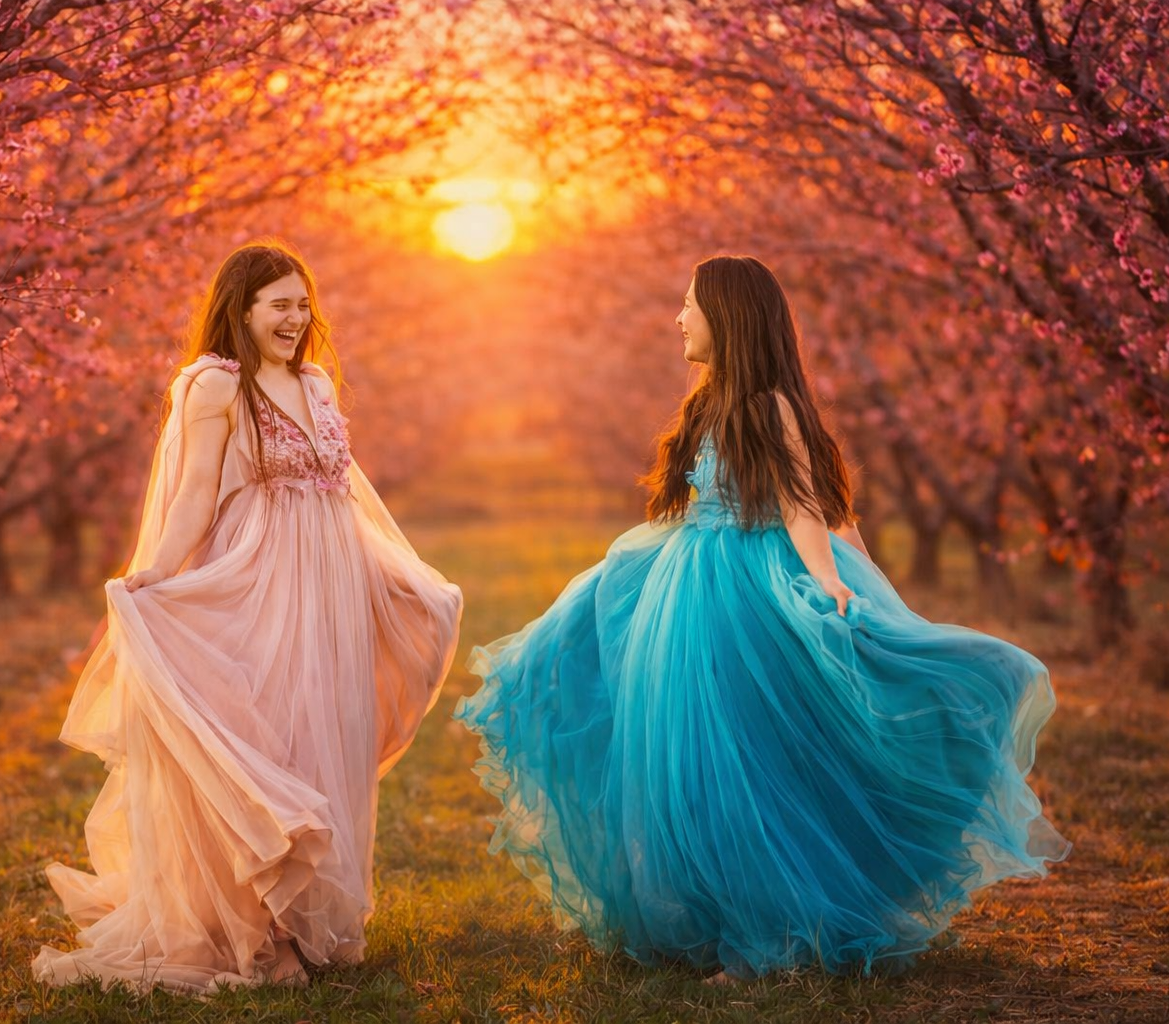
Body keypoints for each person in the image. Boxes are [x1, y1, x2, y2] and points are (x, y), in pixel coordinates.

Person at [454, 255, 1069, 980]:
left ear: (730, 317)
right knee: (682, 757)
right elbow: (689, 511)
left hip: (747, 593)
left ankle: (768, 934)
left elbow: (808, 508)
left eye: (690, 304)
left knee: (743, 758)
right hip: (685, 593)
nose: (678, 318)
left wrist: (834, 585)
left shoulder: (771, 406)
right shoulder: (705, 404)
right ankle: (713, 915)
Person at [34, 241, 462, 992]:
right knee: (270, 741)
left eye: (303, 303)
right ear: (243, 309)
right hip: (260, 579)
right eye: (279, 305)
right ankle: (264, 934)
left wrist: (398, 575)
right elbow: (197, 491)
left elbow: (342, 492)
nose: (296, 318)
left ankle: (304, 920)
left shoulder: (317, 384)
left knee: (322, 738)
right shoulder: (214, 387)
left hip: (328, 586)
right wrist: (157, 575)